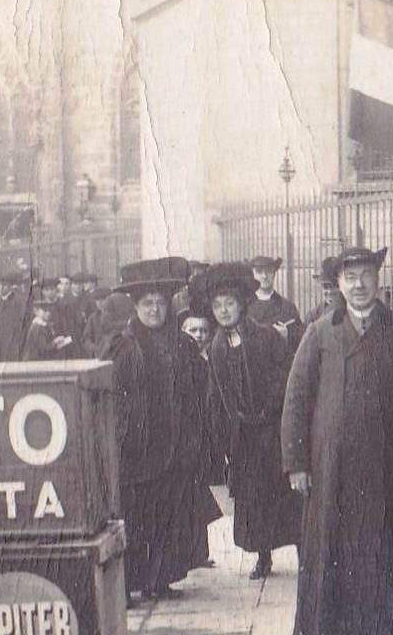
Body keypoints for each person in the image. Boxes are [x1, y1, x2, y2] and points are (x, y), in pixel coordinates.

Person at [281, 246, 393, 635]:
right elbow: (297, 400)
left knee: (389, 552)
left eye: (366, 275)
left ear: (378, 279)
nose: (358, 284)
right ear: (337, 285)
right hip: (333, 471)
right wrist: (297, 463)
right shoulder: (319, 334)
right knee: (335, 551)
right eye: (350, 277)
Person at [105, 257, 211, 602]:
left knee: (167, 516)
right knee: (138, 517)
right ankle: (131, 584)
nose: (154, 310)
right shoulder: (123, 345)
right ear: (135, 307)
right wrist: (124, 434)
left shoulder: (181, 344)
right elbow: (111, 397)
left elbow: (197, 391)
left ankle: (160, 579)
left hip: (174, 447)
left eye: (160, 303)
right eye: (147, 304)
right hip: (136, 449)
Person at [203, 263, 296, 579]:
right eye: (217, 306)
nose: (224, 310)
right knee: (254, 499)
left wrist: (271, 406)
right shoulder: (216, 346)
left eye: (229, 304)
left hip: (271, 428)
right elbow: (217, 395)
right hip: (244, 435)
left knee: (284, 493)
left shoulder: (264, 335)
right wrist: (224, 436)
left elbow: (285, 372)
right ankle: (263, 555)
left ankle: (301, 549)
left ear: (242, 305)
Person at [246, 253, 302, 351]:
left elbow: (301, 343)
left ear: (274, 273)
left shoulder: (287, 307)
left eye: (268, 271)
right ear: (252, 275)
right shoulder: (245, 307)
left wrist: (286, 336)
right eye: (259, 272)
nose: (264, 276)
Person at [0, 264, 32, 362]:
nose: (1, 288)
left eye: (4, 285)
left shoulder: (18, 301)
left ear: (10, 286)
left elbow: (23, 323)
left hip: (12, 342)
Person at [82, 291, 134, 358]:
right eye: (97, 300)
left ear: (110, 300)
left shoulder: (119, 316)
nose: (100, 303)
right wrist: (97, 349)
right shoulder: (93, 318)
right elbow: (85, 339)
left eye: (103, 299)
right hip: (101, 356)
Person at [23, 294, 73, 360]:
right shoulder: (37, 327)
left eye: (49, 310)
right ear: (36, 311)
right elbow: (43, 349)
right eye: (44, 310)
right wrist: (55, 341)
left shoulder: (44, 325)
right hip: (35, 361)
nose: (48, 313)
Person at [301, 256, 344, 328]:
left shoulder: (354, 313)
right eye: (326, 286)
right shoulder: (313, 316)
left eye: (336, 286)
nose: (330, 291)